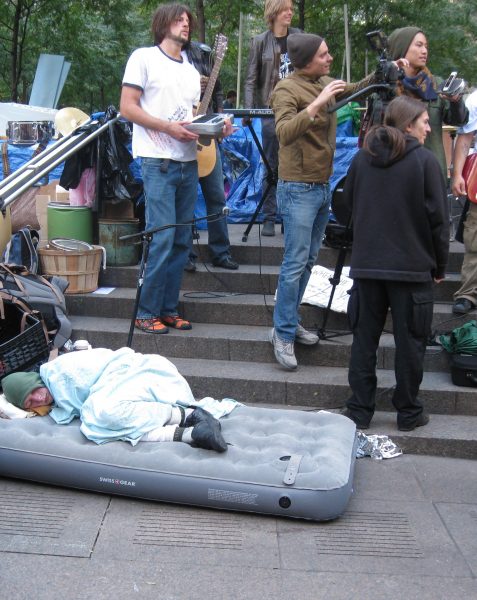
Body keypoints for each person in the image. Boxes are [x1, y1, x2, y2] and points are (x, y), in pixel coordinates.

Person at [269, 32, 391, 370]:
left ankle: (290, 322)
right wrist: (318, 102)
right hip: (297, 189)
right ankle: (281, 333)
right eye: (324, 55)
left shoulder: (323, 80)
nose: (329, 59)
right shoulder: (286, 89)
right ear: (306, 60)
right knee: (294, 264)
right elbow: (283, 132)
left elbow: (352, 88)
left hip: (321, 186)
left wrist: (382, 73)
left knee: (308, 261)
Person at [119, 4, 233, 335]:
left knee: (182, 241)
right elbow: (128, 107)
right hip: (157, 161)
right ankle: (145, 311)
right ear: (162, 24)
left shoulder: (189, 69)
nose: (186, 25)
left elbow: (191, 117)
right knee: (163, 237)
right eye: (179, 20)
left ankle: (167, 309)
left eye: (188, 21)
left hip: (188, 162)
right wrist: (168, 128)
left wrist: (216, 127)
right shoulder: (143, 58)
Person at [342, 96, 449, 432]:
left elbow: (345, 207)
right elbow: (439, 222)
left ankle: (359, 410)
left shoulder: (362, 158)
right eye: (424, 121)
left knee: (363, 341)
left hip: (368, 266)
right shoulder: (425, 162)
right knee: (411, 342)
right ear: (407, 124)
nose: (429, 127)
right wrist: (439, 266)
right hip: (412, 268)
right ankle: (408, 412)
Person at [0, 347, 236, 451]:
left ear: (34, 381)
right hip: (119, 383)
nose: (37, 399)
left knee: (102, 413)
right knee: (96, 426)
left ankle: (190, 415)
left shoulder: (60, 372)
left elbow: (91, 378)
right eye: (30, 403)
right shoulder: (54, 399)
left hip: (132, 371)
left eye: (32, 392)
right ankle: (191, 435)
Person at [243, 0, 300, 237]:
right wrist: (248, 110)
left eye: (291, 8)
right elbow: (250, 80)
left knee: (295, 165)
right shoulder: (259, 42)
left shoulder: (299, 37)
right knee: (271, 165)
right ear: (273, 12)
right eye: (285, 8)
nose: (290, 12)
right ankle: (269, 216)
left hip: (298, 109)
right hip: (270, 111)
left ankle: (290, 217)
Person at [184, 41, 239, 271]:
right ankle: (185, 254)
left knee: (217, 196)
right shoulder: (166, 58)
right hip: (183, 137)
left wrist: (221, 123)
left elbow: (218, 97)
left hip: (208, 137)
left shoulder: (204, 54)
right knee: (184, 200)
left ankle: (221, 252)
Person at [387, 26, 468, 180]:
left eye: (426, 46)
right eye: (418, 45)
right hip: (396, 174)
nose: (424, 51)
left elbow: (459, 121)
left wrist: (456, 102)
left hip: (431, 173)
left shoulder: (435, 84)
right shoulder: (386, 87)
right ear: (402, 48)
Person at [451, 90, 477, 314]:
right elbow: (465, 137)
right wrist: (457, 174)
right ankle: (468, 293)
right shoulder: (476, 98)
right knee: (474, 238)